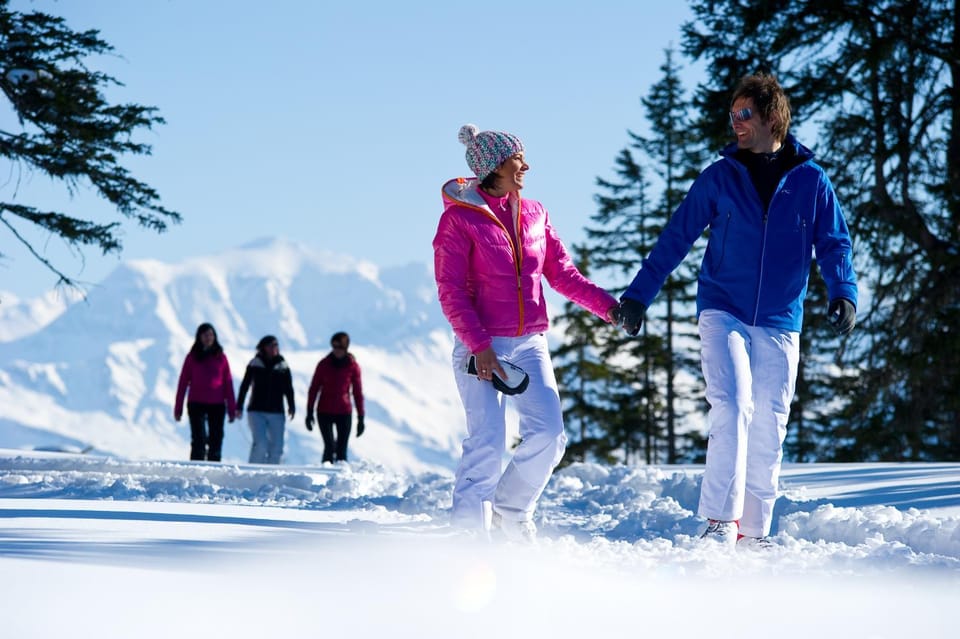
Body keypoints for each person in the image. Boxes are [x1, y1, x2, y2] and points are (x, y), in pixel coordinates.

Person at [615, 73, 858, 547]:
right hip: (722, 307)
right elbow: (676, 237)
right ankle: (719, 521)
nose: (736, 122)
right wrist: (639, 295)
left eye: (744, 114)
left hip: (781, 316)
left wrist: (843, 291)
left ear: (772, 117)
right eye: (732, 114)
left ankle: (755, 531)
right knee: (731, 403)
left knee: (770, 419)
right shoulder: (720, 176)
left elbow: (834, 242)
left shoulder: (811, 180)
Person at [433, 123, 620, 542]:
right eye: (518, 158)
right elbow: (451, 292)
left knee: (550, 435)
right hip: (481, 345)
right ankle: (467, 536)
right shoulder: (458, 220)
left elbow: (562, 273)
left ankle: (511, 510)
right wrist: (479, 346)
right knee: (487, 440)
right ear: (495, 166)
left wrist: (608, 308)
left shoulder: (535, 213)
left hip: (529, 342)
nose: (526, 165)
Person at [173, 323, 237, 462]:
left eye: (211, 335)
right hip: (196, 403)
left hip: (217, 404)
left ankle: (215, 467)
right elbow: (183, 383)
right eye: (205, 335)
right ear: (199, 337)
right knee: (199, 438)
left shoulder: (221, 357)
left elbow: (228, 383)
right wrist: (178, 408)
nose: (209, 337)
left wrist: (232, 409)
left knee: (216, 438)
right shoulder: (192, 357)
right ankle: (197, 467)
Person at [305, 331, 365, 463]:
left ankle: (340, 475)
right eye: (334, 346)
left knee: (341, 450)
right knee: (329, 447)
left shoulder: (353, 366)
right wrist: (309, 412)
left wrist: (361, 417)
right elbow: (314, 389)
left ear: (346, 347)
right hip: (324, 411)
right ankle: (324, 474)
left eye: (340, 347)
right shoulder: (323, 364)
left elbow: (357, 393)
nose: (336, 350)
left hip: (344, 412)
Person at [236, 335, 295, 464]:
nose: (274, 348)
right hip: (256, 411)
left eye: (276, 345)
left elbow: (288, 388)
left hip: (277, 412)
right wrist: (239, 405)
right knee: (260, 444)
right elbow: (245, 386)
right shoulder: (255, 364)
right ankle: (253, 471)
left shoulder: (283, 366)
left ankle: (272, 472)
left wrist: (291, 405)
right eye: (270, 345)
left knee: (277, 447)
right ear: (263, 347)